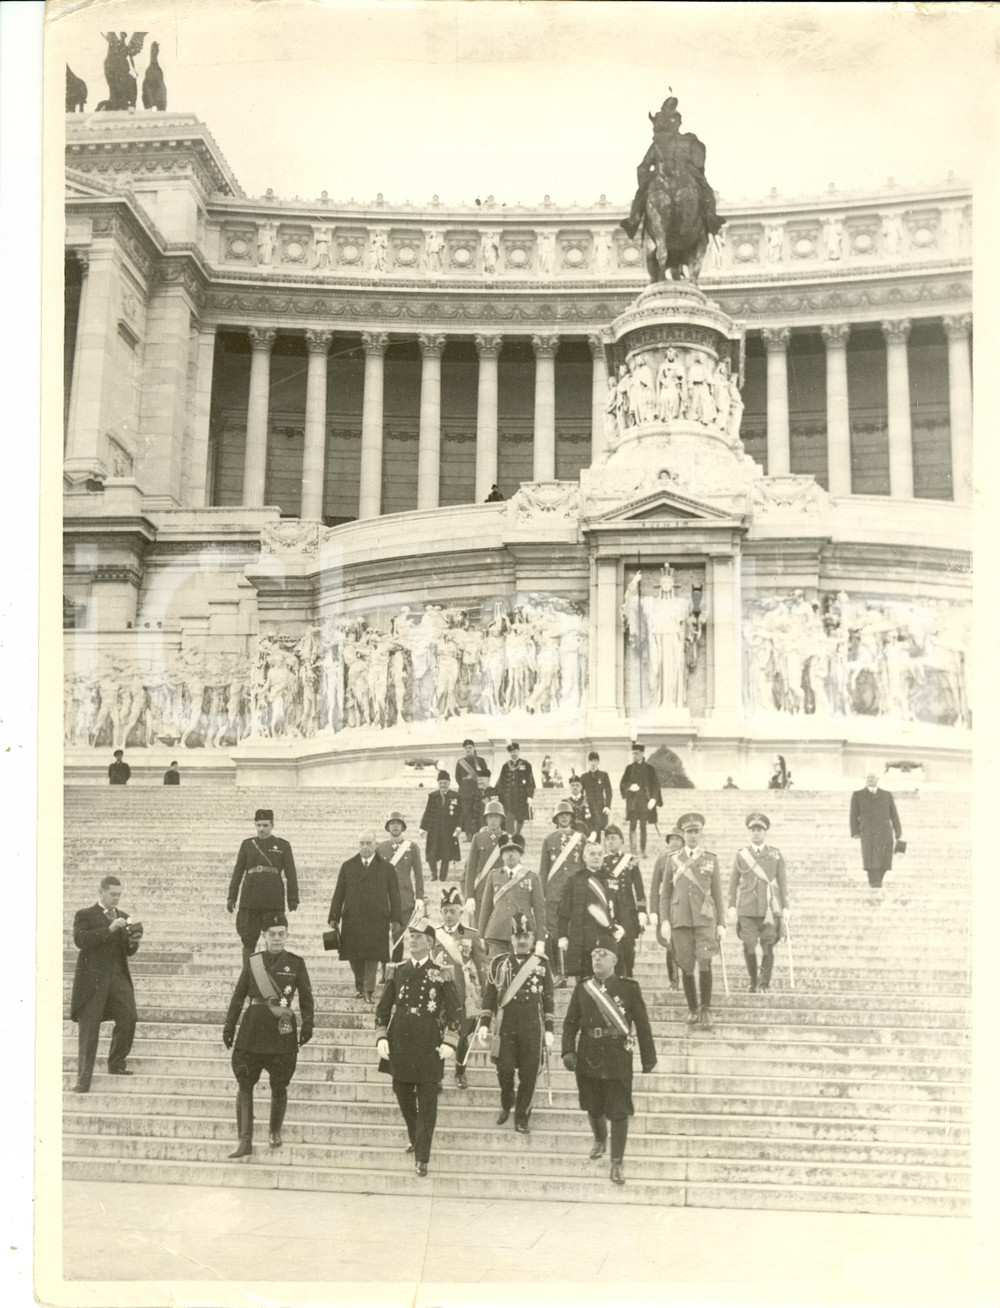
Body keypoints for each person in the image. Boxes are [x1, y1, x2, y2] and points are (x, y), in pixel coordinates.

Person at [561, 935, 657, 1185]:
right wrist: (567, 1050)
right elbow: (570, 1022)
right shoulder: (583, 988)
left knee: (619, 1109)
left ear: (614, 959)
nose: (597, 959)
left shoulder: (629, 988)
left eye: (602, 954)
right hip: (589, 1054)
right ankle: (600, 1138)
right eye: (594, 955)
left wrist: (649, 1057)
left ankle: (617, 1163)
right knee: (592, 1106)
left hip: (617, 1056)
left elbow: (643, 1024)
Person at [222, 912, 314, 1157]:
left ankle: (274, 1130)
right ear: (263, 936)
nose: (276, 939)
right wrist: (229, 1025)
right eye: (271, 934)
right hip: (252, 1029)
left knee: (279, 1085)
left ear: (287, 935)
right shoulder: (254, 962)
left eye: (281, 934)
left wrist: (308, 1025)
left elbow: (306, 998)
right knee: (244, 1083)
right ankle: (245, 1140)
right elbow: (239, 995)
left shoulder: (296, 963)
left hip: (280, 1031)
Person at [375, 919, 462, 1176]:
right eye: (411, 936)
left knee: (427, 1100)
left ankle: (422, 1156)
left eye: (419, 937)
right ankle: (416, 1136)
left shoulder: (441, 972)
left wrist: (450, 1041)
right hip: (400, 1039)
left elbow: (456, 1011)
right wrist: (381, 1037)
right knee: (401, 1091)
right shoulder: (398, 970)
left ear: (430, 943)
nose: (412, 940)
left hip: (428, 1042)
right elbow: (383, 1007)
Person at [476, 912, 555, 1134]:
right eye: (517, 936)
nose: (522, 940)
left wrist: (549, 1029)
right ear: (511, 938)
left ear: (533, 938)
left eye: (526, 936)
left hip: (532, 1025)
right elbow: (489, 996)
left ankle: (522, 1116)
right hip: (507, 1025)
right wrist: (484, 1023)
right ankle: (506, 1100)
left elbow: (548, 998)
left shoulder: (542, 964)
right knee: (505, 1069)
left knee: (529, 1073)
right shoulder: (499, 963)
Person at [70, 875, 141, 1092]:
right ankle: (83, 1080)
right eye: (112, 894)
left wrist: (133, 941)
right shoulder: (85, 914)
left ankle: (116, 1062)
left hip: (118, 978)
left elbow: (128, 951)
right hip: (93, 981)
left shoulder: (124, 917)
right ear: (101, 892)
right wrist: (109, 929)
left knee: (129, 1017)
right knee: (89, 1029)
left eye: (119, 895)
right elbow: (80, 940)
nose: (116, 899)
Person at [658, 812, 725, 1030]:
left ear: (701, 833)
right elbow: (665, 894)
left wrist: (721, 923)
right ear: (683, 834)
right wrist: (664, 920)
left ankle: (706, 1008)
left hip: (705, 918)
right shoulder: (672, 860)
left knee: (705, 960)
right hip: (680, 919)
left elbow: (717, 894)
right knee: (686, 963)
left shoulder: (710, 859)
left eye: (696, 831)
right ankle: (692, 1008)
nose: (693, 835)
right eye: (689, 832)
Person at [328, 831, 402, 1002]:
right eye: (362, 843)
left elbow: (395, 895)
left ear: (376, 845)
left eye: (369, 843)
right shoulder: (348, 866)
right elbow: (339, 893)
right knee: (354, 956)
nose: (365, 847)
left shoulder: (387, 868)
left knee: (373, 956)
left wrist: (396, 918)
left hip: (377, 919)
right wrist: (334, 916)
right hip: (352, 918)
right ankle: (359, 985)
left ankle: (369, 990)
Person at [727, 811, 789, 993]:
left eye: (759, 830)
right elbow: (733, 881)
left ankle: (764, 982)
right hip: (747, 908)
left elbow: (783, 883)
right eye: (753, 829)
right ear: (749, 832)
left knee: (768, 944)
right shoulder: (742, 855)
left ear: (765, 832)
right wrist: (731, 905)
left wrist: (786, 907)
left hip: (770, 907)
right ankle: (753, 979)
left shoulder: (775, 854)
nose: (756, 833)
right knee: (749, 944)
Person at [432, 885, 488, 1089]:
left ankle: (460, 1072)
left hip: (461, 993)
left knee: (462, 1034)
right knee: (436, 1034)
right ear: (441, 912)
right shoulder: (433, 934)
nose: (448, 915)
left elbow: (482, 967)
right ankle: (436, 1077)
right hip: (437, 993)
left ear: (460, 912)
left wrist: (486, 993)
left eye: (453, 911)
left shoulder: (471, 935)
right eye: (445, 911)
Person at [227, 808, 300, 963]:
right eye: (258, 825)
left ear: (272, 825)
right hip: (250, 900)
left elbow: (291, 873)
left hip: (272, 899)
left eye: (265, 825)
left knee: (274, 938)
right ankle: (248, 975)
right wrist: (231, 896)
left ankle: (272, 974)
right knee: (248, 939)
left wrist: (293, 897)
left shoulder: (282, 845)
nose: (261, 829)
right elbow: (238, 872)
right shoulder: (247, 845)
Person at [557, 838, 625, 979]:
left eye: (600, 854)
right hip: (583, 940)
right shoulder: (574, 880)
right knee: (585, 984)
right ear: (584, 857)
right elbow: (563, 912)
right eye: (592, 854)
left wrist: (622, 928)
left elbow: (622, 909)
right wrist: (562, 936)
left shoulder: (612, 878)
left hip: (607, 938)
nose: (596, 857)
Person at [538, 799, 587, 986]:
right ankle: (558, 973)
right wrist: (542, 894)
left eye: (567, 815)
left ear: (572, 818)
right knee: (554, 933)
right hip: (553, 894)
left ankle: (574, 970)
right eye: (561, 815)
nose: (564, 818)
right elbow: (543, 870)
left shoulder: (580, 839)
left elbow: (584, 867)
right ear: (556, 818)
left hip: (574, 894)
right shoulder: (549, 840)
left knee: (574, 932)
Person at [478, 832, 547, 958]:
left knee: (520, 974)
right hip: (496, 934)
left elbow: (539, 910)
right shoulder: (493, 876)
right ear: (501, 855)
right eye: (506, 851)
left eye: (514, 851)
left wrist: (541, 939)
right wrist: (481, 936)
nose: (510, 854)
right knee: (497, 971)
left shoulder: (532, 877)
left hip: (523, 934)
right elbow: (485, 908)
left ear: (520, 854)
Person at [376, 811, 425, 967]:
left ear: (403, 827)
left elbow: (418, 874)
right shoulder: (380, 847)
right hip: (384, 898)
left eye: (398, 823)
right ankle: (384, 968)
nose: (395, 826)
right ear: (388, 826)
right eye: (392, 823)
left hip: (404, 898)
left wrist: (419, 897)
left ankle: (395, 967)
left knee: (399, 935)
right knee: (382, 935)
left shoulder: (411, 847)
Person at [601, 825, 648, 979]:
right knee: (613, 949)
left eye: (613, 838)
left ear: (621, 840)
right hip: (609, 913)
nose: (610, 842)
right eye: (607, 839)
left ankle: (628, 977)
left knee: (628, 949)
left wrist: (642, 911)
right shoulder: (602, 862)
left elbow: (639, 888)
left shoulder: (630, 861)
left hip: (628, 912)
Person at [850, 771, 903, 892]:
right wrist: (855, 831)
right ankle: (874, 883)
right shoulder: (858, 795)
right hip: (868, 833)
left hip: (885, 832)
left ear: (877, 780)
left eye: (872, 777)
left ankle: (877, 881)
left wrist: (898, 831)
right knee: (870, 859)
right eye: (868, 777)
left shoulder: (886, 795)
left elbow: (894, 814)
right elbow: (853, 815)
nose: (869, 779)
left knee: (884, 860)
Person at [649, 827, 684, 990]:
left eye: (677, 839)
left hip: (684, 909)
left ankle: (686, 979)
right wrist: (654, 911)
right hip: (667, 908)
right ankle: (674, 981)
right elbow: (655, 887)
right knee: (671, 945)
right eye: (671, 839)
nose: (674, 842)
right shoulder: (662, 860)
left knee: (684, 946)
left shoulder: (687, 859)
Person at [463, 798, 506, 923]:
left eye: (496, 817)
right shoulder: (478, 838)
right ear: (486, 819)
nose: (493, 820)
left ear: (501, 819)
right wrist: (469, 897)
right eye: (490, 817)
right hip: (481, 891)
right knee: (478, 932)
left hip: (500, 889)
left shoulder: (507, 838)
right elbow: (470, 869)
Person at [619, 741, 663, 856]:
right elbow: (623, 783)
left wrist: (653, 799)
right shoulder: (629, 768)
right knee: (632, 826)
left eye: (637, 753)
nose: (635, 756)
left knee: (643, 826)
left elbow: (656, 785)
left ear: (642, 753)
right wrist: (629, 787)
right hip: (633, 802)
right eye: (633, 753)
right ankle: (633, 850)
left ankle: (643, 850)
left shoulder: (650, 769)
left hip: (645, 802)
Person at [420, 770, 462, 881]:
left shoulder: (455, 796)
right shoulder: (433, 796)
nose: (443, 785)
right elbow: (427, 812)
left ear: (449, 783)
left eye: (445, 782)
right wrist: (423, 828)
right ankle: (433, 874)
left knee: (446, 854)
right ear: (438, 783)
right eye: (441, 783)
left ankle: (443, 877)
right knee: (432, 853)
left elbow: (460, 814)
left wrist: (459, 827)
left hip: (448, 831)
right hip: (434, 830)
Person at [496, 742, 536, 835]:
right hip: (508, 796)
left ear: (518, 751)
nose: (513, 754)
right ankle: (510, 834)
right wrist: (497, 794)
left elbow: (531, 782)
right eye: (511, 752)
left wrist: (530, 796)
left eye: (514, 751)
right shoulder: (506, 766)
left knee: (520, 817)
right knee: (509, 815)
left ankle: (517, 833)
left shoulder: (526, 764)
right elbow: (500, 781)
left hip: (521, 796)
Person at [455, 740, 491, 840]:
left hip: (478, 791)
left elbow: (485, 775)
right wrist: (465, 787)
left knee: (479, 812)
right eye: (466, 748)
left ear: (474, 748)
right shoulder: (460, 762)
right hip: (465, 793)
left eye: (470, 747)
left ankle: (479, 835)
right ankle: (468, 836)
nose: (468, 749)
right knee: (466, 814)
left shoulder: (481, 761)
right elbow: (458, 778)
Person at [580, 751, 613, 840]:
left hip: (600, 807)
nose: (593, 763)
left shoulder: (604, 775)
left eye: (595, 761)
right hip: (589, 807)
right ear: (588, 762)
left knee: (601, 830)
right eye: (591, 761)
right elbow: (580, 793)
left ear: (598, 762)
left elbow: (608, 791)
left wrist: (607, 806)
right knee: (589, 830)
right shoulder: (584, 777)